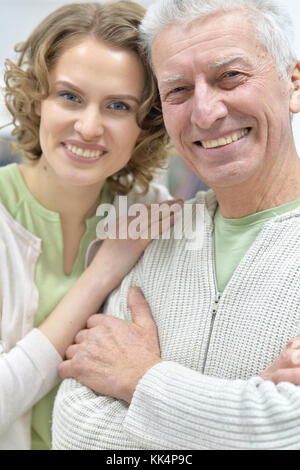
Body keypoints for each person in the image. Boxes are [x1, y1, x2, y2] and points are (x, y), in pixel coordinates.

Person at [53, 0, 300, 450]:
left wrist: (140, 378)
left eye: (230, 77)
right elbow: (74, 431)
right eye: (178, 91)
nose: (205, 113)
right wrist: (244, 413)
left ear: (294, 83)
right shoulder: (151, 239)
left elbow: (290, 431)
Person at [0, 0, 180, 450]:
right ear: (37, 98)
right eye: (70, 96)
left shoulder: (154, 215)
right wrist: (102, 273)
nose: (89, 126)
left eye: (118, 106)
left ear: (146, 123)